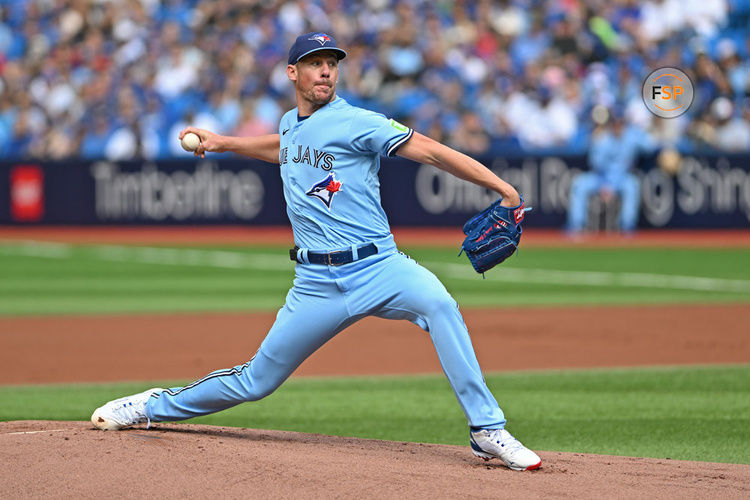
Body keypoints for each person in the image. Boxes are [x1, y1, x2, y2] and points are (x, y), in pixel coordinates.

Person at [91, 32, 541, 472]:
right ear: (293, 72)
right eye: (314, 63)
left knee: (440, 304)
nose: (326, 70)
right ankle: (152, 405)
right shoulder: (291, 122)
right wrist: (225, 142)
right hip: (315, 285)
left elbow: (433, 153)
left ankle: (486, 428)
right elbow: (285, 145)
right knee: (256, 381)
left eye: (332, 63)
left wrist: (501, 187)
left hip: (379, 266)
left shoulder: (358, 122)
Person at [566, 112, 656, 234]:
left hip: (622, 179)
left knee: (632, 185)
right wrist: (605, 185)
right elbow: (596, 165)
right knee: (579, 183)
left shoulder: (632, 137)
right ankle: (576, 226)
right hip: (600, 178)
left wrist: (639, 131)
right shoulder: (602, 139)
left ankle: (627, 227)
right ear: (610, 124)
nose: (618, 126)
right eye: (615, 123)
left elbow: (650, 147)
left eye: (620, 123)